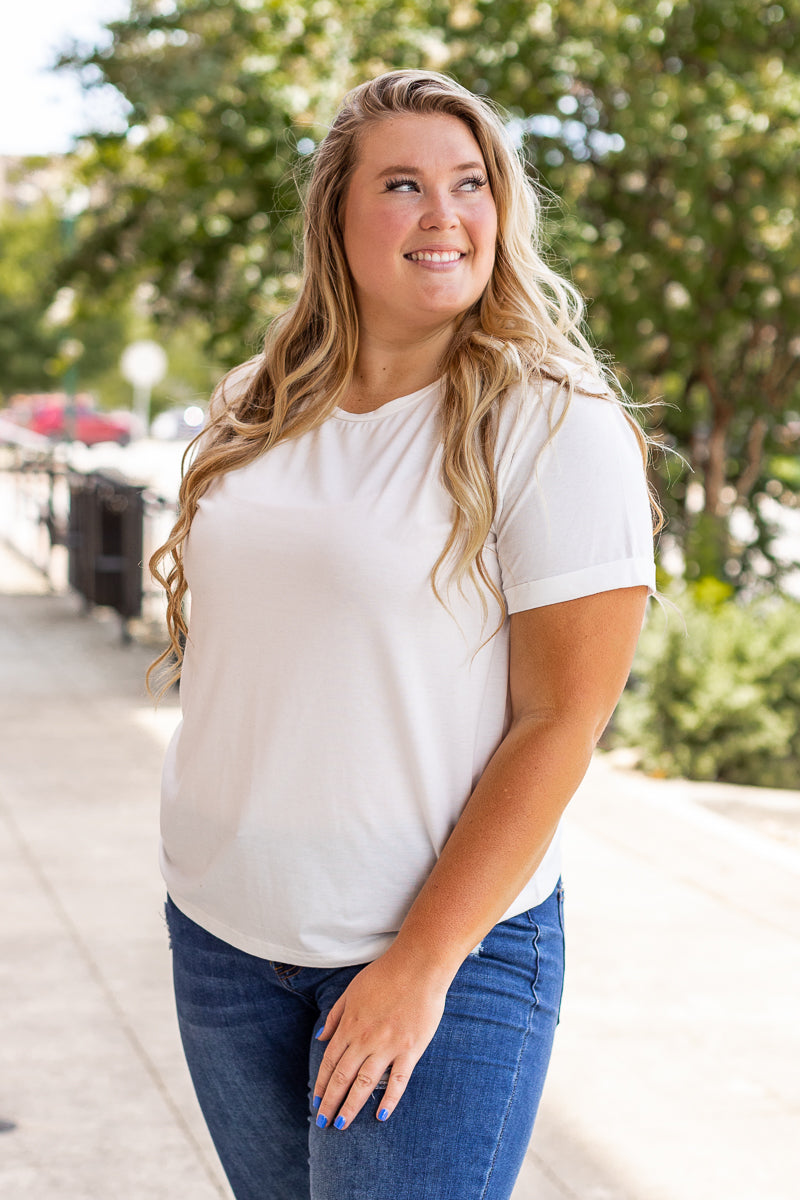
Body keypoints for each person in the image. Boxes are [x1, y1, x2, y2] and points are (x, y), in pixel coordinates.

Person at [149, 69, 657, 1200]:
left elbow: (560, 720)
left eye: (470, 183)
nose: (445, 213)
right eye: (402, 184)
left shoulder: (550, 419)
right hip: (225, 940)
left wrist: (419, 966)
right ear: (337, 215)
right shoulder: (258, 402)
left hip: (443, 954)